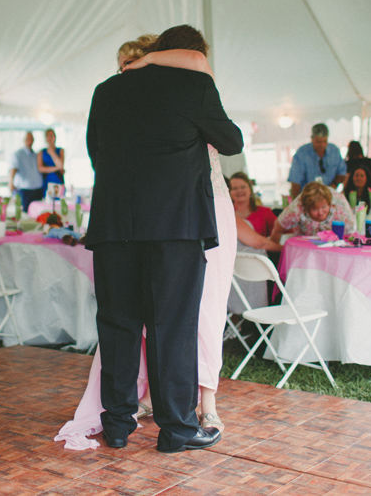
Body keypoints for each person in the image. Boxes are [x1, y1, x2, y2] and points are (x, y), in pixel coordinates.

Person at [81, 24, 242, 454]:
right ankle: (176, 430)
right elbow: (231, 141)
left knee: (118, 324)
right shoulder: (195, 85)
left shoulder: (107, 90)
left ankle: (117, 424)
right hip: (176, 227)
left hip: (115, 225)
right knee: (173, 327)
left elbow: (96, 152)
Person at [270, 181, 356, 242]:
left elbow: (352, 232)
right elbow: (278, 228)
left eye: (324, 207)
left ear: (329, 204)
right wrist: (275, 254)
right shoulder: (296, 209)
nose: (320, 212)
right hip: (305, 248)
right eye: (315, 209)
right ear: (306, 208)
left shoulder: (340, 205)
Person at [287, 124, 346, 200]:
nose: (322, 145)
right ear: (312, 139)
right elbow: (295, 181)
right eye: (318, 142)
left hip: (329, 197)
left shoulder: (334, 151)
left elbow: (342, 173)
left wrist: (333, 186)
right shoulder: (301, 154)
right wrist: (298, 201)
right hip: (308, 199)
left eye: (325, 141)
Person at [229, 172, 276, 237]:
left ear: (250, 190)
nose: (239, 191)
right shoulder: (226, 214)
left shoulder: (265, 212)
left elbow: (281, 232)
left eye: (243, 187)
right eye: (234, 188)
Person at [8, 131, 42, 212]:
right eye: (27, 139)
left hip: (37, 190)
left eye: (31, 139)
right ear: (24, 140)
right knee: (24, 213)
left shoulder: (35, 155)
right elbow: (13, 169)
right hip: (24, 190)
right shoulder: (18, 154)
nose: (29, 141)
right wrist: (10, 183)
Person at [38, 128, 65, 196]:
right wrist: (56, 168)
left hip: (58, 179)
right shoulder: (41, 152)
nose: (50, 138)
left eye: (52, 135)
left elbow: (61, 165)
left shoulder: (60, 150)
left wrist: (52, 152)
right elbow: (40, 169)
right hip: (47, 180)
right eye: (48, 136)